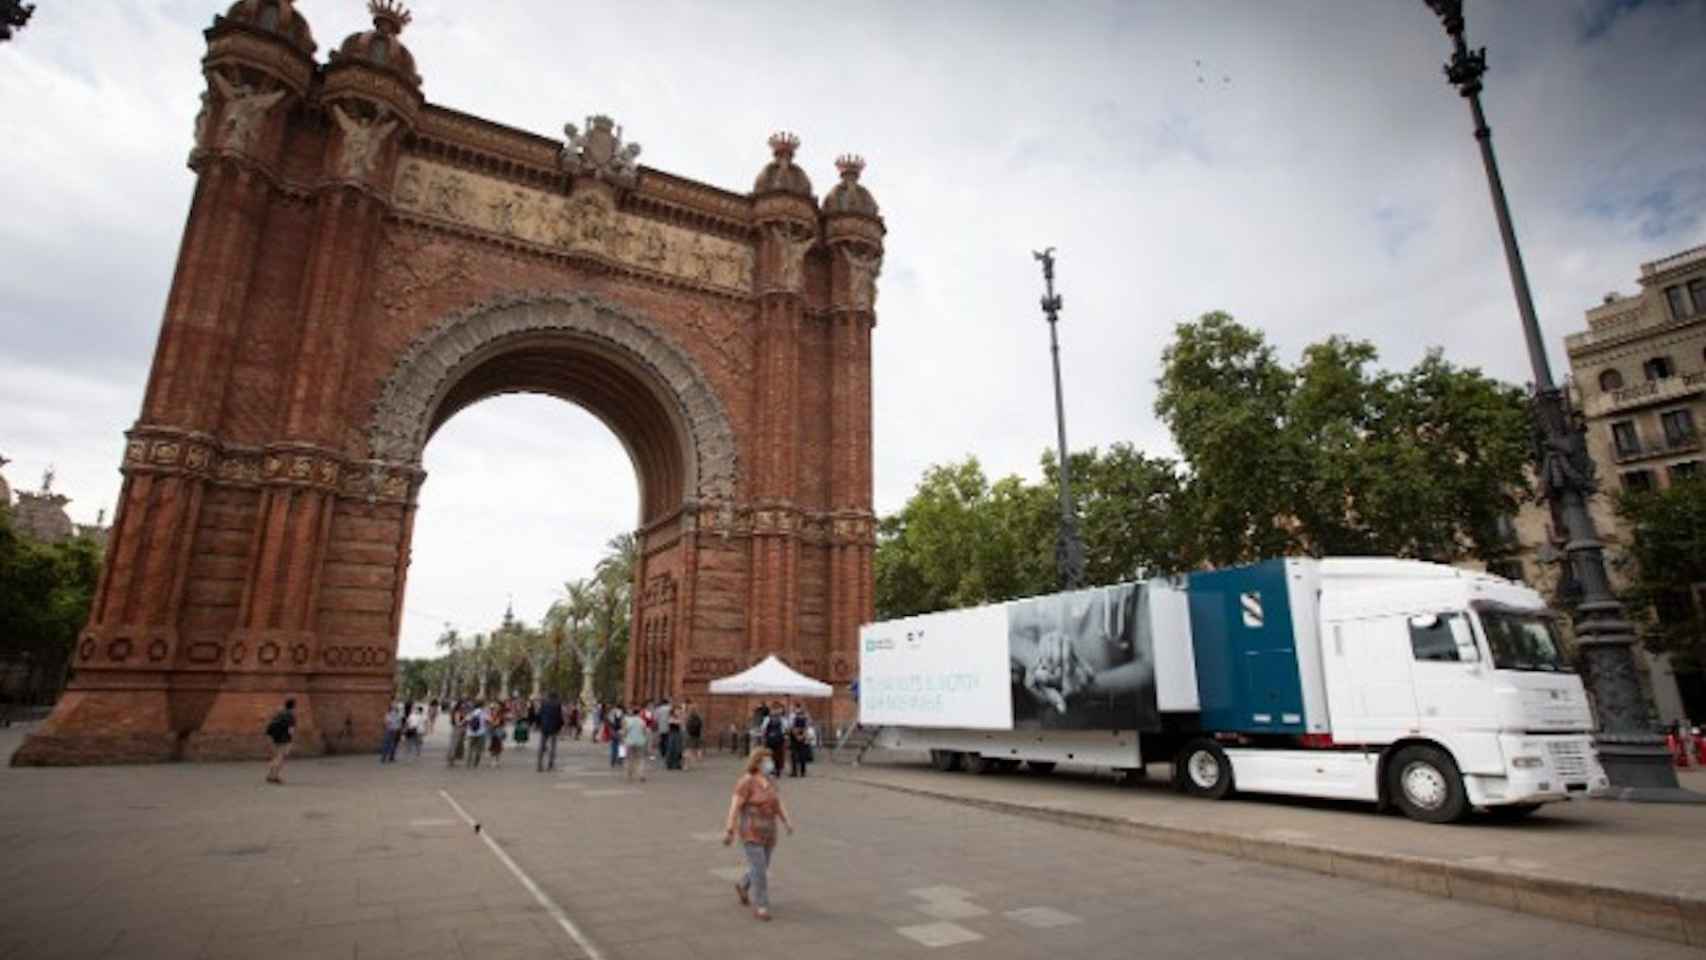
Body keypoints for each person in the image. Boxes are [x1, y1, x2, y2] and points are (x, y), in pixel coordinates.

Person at [722, 746, 794, 921]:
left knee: (761, 866)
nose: (770, 763)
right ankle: (762, 905)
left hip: (769, 832)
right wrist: (729, 829)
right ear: (757, 762)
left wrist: (787, 821)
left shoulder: (771, 780)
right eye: (766, 760)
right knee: (760, 870)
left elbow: (777, 803)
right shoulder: (746, 782)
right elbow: (735, 806)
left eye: (770, 759)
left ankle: (743, 884)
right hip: (751, 831)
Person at [264, 697, 297, 784]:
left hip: (276, 737)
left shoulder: (280, 713)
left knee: (277, 755)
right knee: (281, 757)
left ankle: (270, 775)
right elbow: (291, 729)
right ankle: (275, 776)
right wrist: (292, 739)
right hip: (285, 738)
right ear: (293, 706)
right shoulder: (291, 715)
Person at [536, 691, 564, 772]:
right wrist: (560, 727)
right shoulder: (557, 704)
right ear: (555, 697)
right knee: (553, 747)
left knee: (541, 746)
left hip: (544, 727)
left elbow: (539, 715)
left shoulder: (544, 704)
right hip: (554, 728)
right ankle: (550, 765)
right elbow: (559, 717)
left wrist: (539, 725)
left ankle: (539, 765)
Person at [622, 705, 650, 782]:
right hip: (640, 742)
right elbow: (645, 732)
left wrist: (623, 739)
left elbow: (624, 732)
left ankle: (629, 776)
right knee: (640, 759)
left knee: (629, 759)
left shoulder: (627, 720)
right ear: (639, 713)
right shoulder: (642, 721)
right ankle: (641, 775)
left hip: (629, 742)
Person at [763, 703, 787, 779]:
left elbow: (763, 729)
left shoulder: (767, 718)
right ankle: (776, 770)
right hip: (778, 740)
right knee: (777, 756)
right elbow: (785, 729)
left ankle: (773, 771)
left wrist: (764, 738)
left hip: (771, 740)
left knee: (772, 756)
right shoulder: (782, 719)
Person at [788, 707, 813, 777]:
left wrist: (798, 736)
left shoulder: (796, 719)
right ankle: (801, 772)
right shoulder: (803, 719)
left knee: (797, 756)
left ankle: (796, 772)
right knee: (800, 756)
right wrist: (801, 737)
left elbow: (793, 728)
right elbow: (804, 729)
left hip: (797, 740)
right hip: (799, 739)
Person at [465, 702, 490, 768]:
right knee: (479, 749)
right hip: (481, 733)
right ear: (481, 706)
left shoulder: (471, 712)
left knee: (470, 748)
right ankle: (475, 764)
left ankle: (468, 763)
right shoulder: (483, 713)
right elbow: (488, 720)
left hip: (471, 733)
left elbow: (466, 720)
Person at [685, 701, 704, 769]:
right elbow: (701, 726)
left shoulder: (688, 717)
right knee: (698, 749)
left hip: (690, 735)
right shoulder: (699, 717)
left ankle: (687, 765)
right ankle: (697, 758)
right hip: (698, 735)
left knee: (688, 749)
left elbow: (686, 726)